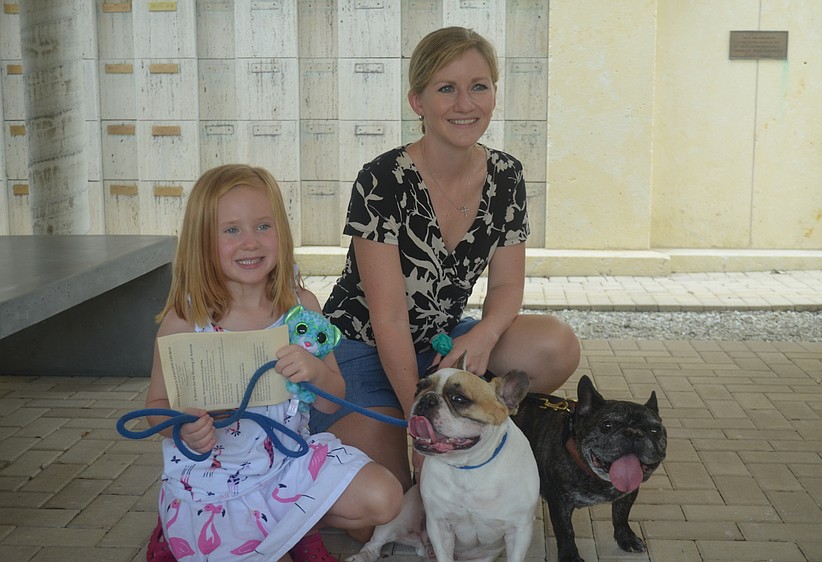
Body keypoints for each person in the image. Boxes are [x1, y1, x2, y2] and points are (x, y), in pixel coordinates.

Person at [311, 27, 581, 496]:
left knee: (555, 345)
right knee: (391, 496)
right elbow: (390, 319)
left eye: (479, 86)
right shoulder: (382, 179)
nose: (465, 104)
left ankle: (477, 426)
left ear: (494, 93)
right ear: (417, 101)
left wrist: (483, 334)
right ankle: (378, 420)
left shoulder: (506, 175)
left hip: (439, 348)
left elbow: (505, 290)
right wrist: (420, 426)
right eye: (446, 88)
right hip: (360, 347)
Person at [144, 164, 402, 562]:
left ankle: (286, 526)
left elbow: (333, 401)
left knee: (385, 497)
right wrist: (181, 428)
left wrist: (316, 373)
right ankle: (252, 532)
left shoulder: (302, 310)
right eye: (231, 230)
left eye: (263, 226)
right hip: (216, 485)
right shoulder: (185, 321)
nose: (251, 242)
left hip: (288, 465)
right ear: (201, 241)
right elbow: (155, 407)